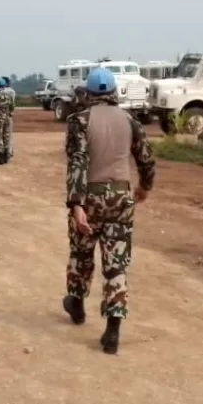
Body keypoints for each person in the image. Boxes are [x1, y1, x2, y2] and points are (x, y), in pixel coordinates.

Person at [62, 68, 155, 355]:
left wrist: (76, 204)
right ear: (114, 91)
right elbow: (146, 158)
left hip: (89, 197)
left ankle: (76, 304)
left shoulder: (79, 120)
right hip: (120, 197)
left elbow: (78, 161)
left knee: (81, 252)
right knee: (116, 264)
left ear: (88, 93)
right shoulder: (130, 120)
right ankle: (113, 329)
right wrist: (144, 188)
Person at [2, 76, 17, 159]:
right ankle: (9, 153)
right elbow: (12, 104)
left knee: (0, 135)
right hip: (8, 115)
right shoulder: (12, 91)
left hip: (0, 116)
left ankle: (0, 152)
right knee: (8, 135)